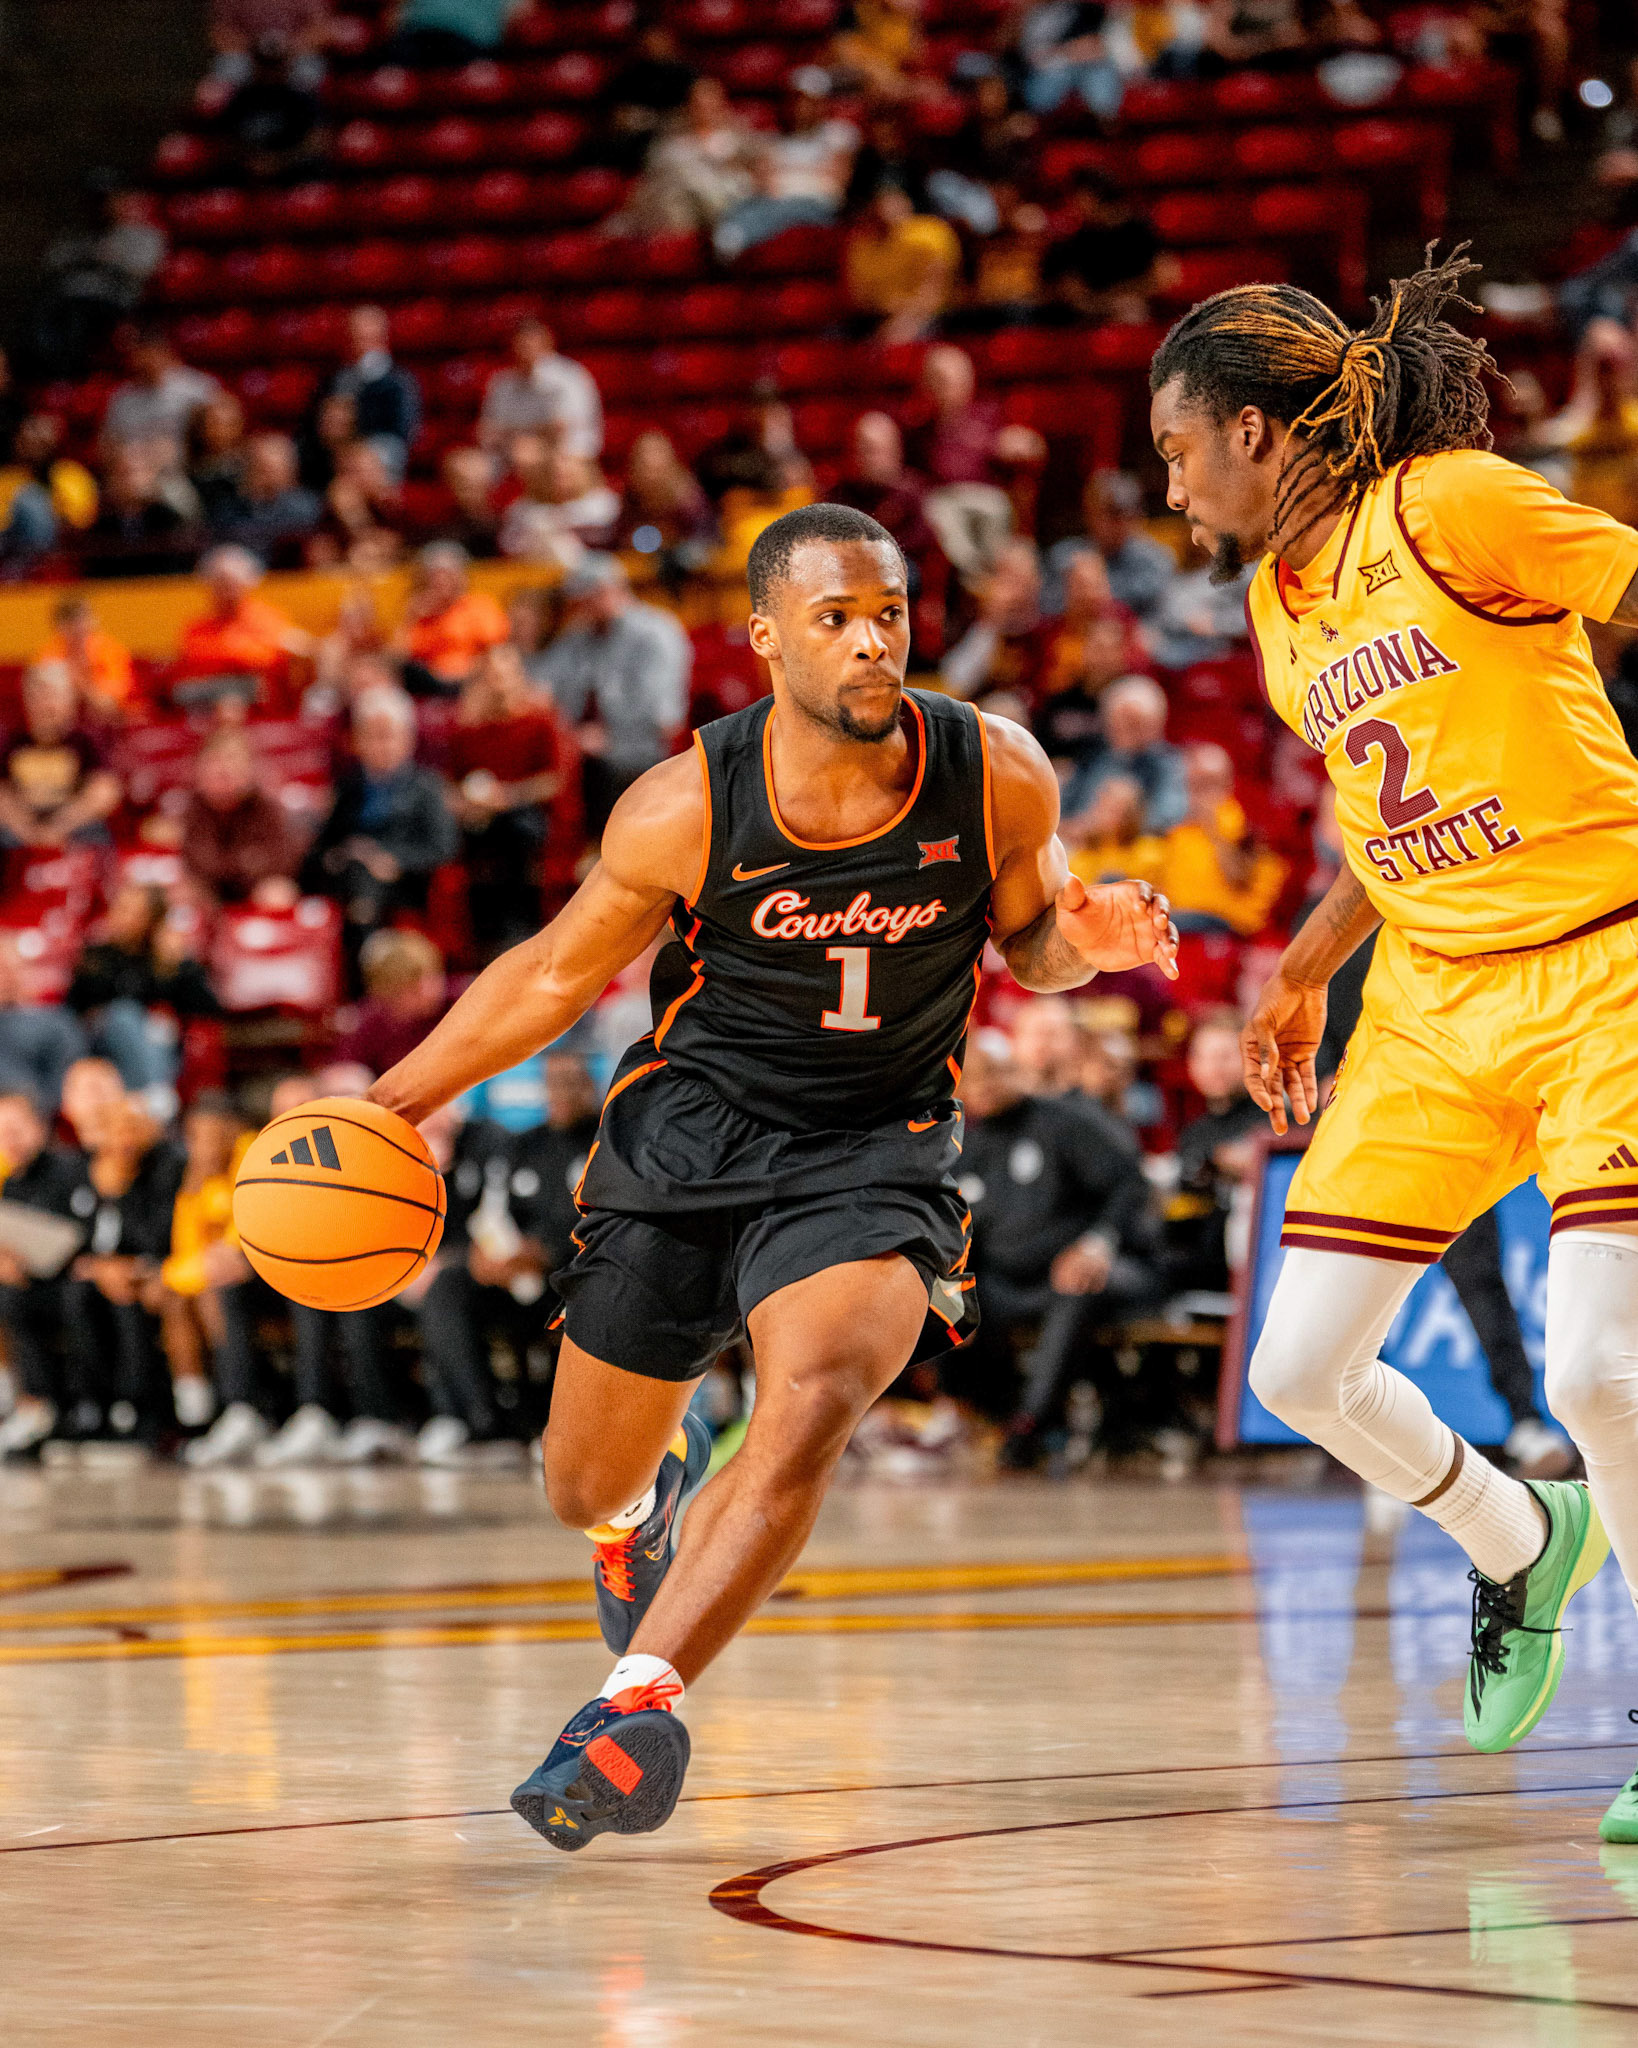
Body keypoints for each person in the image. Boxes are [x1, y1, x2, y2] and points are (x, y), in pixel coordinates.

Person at [365, 499, 1178, 1849]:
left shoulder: (999, 772)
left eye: (890, 615)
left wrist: (1084, 942)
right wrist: (396, 1102)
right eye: (835, 619)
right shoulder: (688, 799)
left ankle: (632, 1709)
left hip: (876, 1145)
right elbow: (557, 974)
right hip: (692, 1136)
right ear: (764, 641)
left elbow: (1034, 941)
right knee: (577, 1486)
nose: (872, 643)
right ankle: (639, 1502)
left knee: (811, 1399)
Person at [1148, 248, 1638, 1842]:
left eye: (1174, 445)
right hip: (1427, 994)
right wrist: (1298, 973)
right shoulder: (1269, 602)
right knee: (1297, 1367)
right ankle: (1514, 1538)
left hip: (1601, 967)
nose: (1165, 481)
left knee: (1597, 1367)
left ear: (1257, 434)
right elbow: (1388, 805)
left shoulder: (1456, 508)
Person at [956, 1030, 1162, 1465]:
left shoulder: (1062, 1122)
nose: (986, 1084)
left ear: (1018, 1071)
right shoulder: (963, 1147)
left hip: (1102, 1268)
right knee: (947, 1298)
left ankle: (1032, 1425)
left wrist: (1096, 1245)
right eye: (973, 1078)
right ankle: (972, 1414)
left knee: (1074, 1288)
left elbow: (1129, 1183)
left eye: (996, 1071)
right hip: (1008, 1282)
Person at [533, 554, 690, 834]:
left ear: (610, 590)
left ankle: (606, 853)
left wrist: (609, 739)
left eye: (586, 599)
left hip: (643, 745)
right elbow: (541, 683)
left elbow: (662, 715)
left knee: (589, 770)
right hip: (583, 745)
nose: (580, 609)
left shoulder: (655, 633)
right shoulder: (581, 636)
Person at [301, 685, 458, 963]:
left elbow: (443, 847)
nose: (379, 746)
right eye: (370, 737)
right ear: (357, 742)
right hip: (348, 877)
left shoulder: (427, 788)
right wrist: (340, 855)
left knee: (363, 882)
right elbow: (324, 845)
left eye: (386, 736)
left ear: (407, 739)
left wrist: (390, 860)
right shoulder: (347, 787)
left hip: (405, 884)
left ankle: (364, 970)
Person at [445, 642, 569, 954]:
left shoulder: (540, 721)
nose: (498, 684)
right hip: (480, 817)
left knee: (515, 830)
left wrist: (508, 797)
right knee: (469, 837)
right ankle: (481, 944)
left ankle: (522, 934)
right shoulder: (468, 732)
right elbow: (452, 783)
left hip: (524, 816)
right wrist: (463, 802)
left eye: (504, 675)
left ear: (519, 676)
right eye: (490, 677)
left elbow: (553, 781)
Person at [0, 1091, 94, 1458]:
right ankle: (19, 1397)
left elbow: (83, 1231)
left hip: (70, 1279)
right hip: (28, 1280)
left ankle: (46, 1403)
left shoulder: (70, 1170)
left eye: (17, 1129)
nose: (11, 1140)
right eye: (2, 1133)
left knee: (21, 1298)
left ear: (40, 1128)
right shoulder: (9, 1182)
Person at [65, 883, 220, 1104]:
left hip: (155, 1042)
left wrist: (176, 964)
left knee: (159, 1026)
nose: (123, 918)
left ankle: (146, 1101)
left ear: (151, 920)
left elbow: (207, 1007)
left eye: (135, 913)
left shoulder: (164, 960)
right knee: (125, 1015)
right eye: (120, 909)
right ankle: (156, 1096)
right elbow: (73, 1008)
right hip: (98, 1040)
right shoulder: (97, 956)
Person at [174, 728, 303, 908]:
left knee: (278, 894)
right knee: (183, 895)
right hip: (210, 890)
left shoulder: (265, 807)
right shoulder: (194, 807)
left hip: (253, 890)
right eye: (216, 761)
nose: (224, 770)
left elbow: (281, 862)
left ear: (249, 769)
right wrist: (246, 861)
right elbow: (198, 861)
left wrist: (233, 867)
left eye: (232, 760)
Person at [173, 546, 313, 711]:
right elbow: (193, 664)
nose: (227, 592)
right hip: (207, 697)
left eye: (232, 584)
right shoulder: (197, 628)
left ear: (248, 584)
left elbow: (296, 650)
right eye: (220, 584)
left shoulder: (267, 618)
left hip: (257, 695)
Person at [0, 661, 121, 849]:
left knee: (95, 836)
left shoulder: (86, 741)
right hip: (19, 830)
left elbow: (104, 794)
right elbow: (3, 794)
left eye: (52, 695)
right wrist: (27, 831)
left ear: (70, 700)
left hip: (75, 826)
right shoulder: (12, 741)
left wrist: (57, 829)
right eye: (36, 696)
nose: (45, 704)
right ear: (25, 699)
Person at [1045, 470, 1176, 621]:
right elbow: (1048, 606)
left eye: (1126, 513)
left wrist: (1090, 596)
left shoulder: (1155, 560)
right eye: (1111, 513)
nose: (1120, 522)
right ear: (1090, 513)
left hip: (1134, 638)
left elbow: (1155, 613)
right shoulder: (1066, 555)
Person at [843, 180, 961, 345]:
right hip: (877, 317)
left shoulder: (931, 233)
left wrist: (904, 322)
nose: (886, 208)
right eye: (880, 201)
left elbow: (934, 294)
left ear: (907, 202)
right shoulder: (861, 243)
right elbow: (862, 298)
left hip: (928, 315)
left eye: (893, 200)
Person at [478, 318, 604, 465]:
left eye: (531, 346)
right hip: (508, 454)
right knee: (464, 466)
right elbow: (487, 432)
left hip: (569, 453)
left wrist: (515, 433)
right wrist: (522, 436)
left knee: (526, 454)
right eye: (521, 346)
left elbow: (558, 429)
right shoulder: (501, 382)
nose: (525, 352)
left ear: (547, 345)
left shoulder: (570, 377)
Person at [390, 541, 508, 695]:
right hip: (427, 684)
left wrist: (465, 672)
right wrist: (410, 618)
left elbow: (497, 651)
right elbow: (396, 658)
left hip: (471, 682)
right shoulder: (418, 613)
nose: (441, 581)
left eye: (447, 574)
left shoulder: (480, 607)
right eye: (435, 575)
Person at [321, 306, 420, 478]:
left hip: (380, 461)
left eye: (367, 338)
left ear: (382, 339)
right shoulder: (337, 379)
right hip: (335, 458)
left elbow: (401, 434)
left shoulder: (398, 382)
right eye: (356, 337)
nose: (361, 344)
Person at [101, 328, 222, 457]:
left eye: (151, 354)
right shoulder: (122, 400)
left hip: (188, 469)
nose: (147, 362)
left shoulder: (197, 388)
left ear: (164, 353)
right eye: (141, 356)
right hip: (139, 471)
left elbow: (221, 430)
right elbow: (108, 445)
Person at [0, 934, 87, 1113]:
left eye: (10, 969)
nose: (5, 977)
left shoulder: (54, 1020)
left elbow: (71, 1071)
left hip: (37, 1109)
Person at [208, 429, 321, 566]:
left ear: (291, 470)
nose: (265, 477)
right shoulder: (229, 509)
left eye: (272, 470)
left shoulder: (309, 509)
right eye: (260, 468)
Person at [38, 595, 138, 721]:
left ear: (93, 621)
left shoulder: (110, 650)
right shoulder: (50, 653)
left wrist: (79, 681)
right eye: (70, 622)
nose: (78, 628)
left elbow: (109, 702)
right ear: (59, 627)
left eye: (82, 620)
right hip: (62, 721)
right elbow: (45, 701)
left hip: (107, 719)